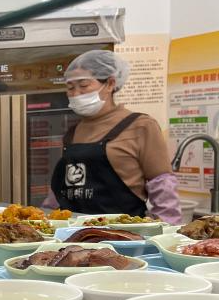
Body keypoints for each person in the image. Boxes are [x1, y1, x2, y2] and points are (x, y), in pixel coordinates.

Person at [45, 50, 181, 223]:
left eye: (84, 85)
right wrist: (46, 219)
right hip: (73, 232)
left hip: (124, 232)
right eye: (70, 87)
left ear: (110, 84)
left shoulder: (140, 126)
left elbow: (162, 184)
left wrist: (167, 229)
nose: (76, 93)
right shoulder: (73, 132)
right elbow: (59, 190)